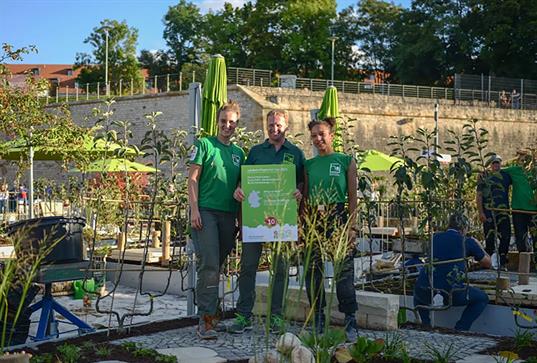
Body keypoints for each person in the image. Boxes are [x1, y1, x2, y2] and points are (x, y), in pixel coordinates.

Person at [230, 109, 305, 334]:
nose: (274, 129)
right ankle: (244, 315)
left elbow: (302, 183)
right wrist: (239, 191)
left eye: (278, 125)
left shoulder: (296, 153)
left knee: (281, 268)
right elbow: (243, 182)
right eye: (270, 125)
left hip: (283, 220)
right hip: (256, 219)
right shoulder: (254, 152)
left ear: (286, 126)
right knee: (248, 267)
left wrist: (299, 192)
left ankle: (276, 317)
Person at [188, 101, 245, 339]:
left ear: (237, 125)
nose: (227, 126)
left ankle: (213, 312)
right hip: (206, 213)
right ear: (217, 122)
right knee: (209, 265)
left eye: (232, 122)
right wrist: (194, 210)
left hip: (228, 216)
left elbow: (242, 189)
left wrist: (241, 223)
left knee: (216, 267)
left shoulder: (239, 154)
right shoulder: (204, 144)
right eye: (224, 121)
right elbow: (192, 179)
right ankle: (206, 319)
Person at [303, 117, 359, 341]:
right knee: (312, 272)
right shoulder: (308, 165)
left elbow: (353, 197)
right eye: (314, 135)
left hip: (338, 217)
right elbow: (305, 198)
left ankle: (350, 320)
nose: (318, 139)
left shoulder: (346, 161)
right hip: (314, 218)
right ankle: (317, 318)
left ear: (331, 135)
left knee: (344, 272)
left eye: (321, 134)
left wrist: (352, 226)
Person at [413, 213, 492, 331]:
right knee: (482, 298)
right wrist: (479, 247)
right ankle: (461, 328)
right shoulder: (467, 241)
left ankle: (426, 324)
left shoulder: (434, 237)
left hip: (426, 288)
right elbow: (488, 263)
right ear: (464, 228)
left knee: (418, 294)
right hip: (451, 292)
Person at [476, 155, 511, 267]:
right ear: (490, 165)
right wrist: (481, 212)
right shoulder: (484, 176)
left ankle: (502, 262)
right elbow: (479, 195)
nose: (496, 165)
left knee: (505, 237)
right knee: (489, 238)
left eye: (498, 162)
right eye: (493, 163)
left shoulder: (505, 176)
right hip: (488, 212)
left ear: (501, 163)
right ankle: (488, 263)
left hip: (503, 212)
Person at [503, 150, 537, 253]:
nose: (524, 163)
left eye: (526, 161)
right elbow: (498, 171)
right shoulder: (515, 170)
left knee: (535, 237)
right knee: (520, 236)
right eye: (522, 160)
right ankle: (523, 259)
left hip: (534, 211)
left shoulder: (534, 172)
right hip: (518, 210)